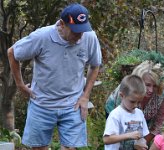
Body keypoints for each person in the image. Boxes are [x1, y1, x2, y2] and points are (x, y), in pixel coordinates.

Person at [7, 3, 102, 150]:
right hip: (41, 104)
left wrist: (85, 96)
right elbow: (13, 53)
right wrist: (20, 85)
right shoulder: (42, 37)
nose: (80, 36)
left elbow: (95, 65)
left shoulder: (89, 37)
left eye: (82, 30)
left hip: (73, 104)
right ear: (62, 24)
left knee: (71, 148)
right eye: (76, 31)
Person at [105, 60, 164, 144]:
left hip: (146, 118)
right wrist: (132, 145)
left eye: (155, 86)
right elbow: (122, 126)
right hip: (116, 111)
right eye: (147, 85)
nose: (150, 90)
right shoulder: (127, 90)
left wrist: (143, 142)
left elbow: (158, 124)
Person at [103, 75, 149, 150]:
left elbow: (142, 136)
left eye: (139, 102)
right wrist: (128, 135)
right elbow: (106, 139)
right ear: (122, 96)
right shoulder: (116, 115)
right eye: (132, 101)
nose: (136, 105)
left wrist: (142, 142)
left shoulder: (139, 113)